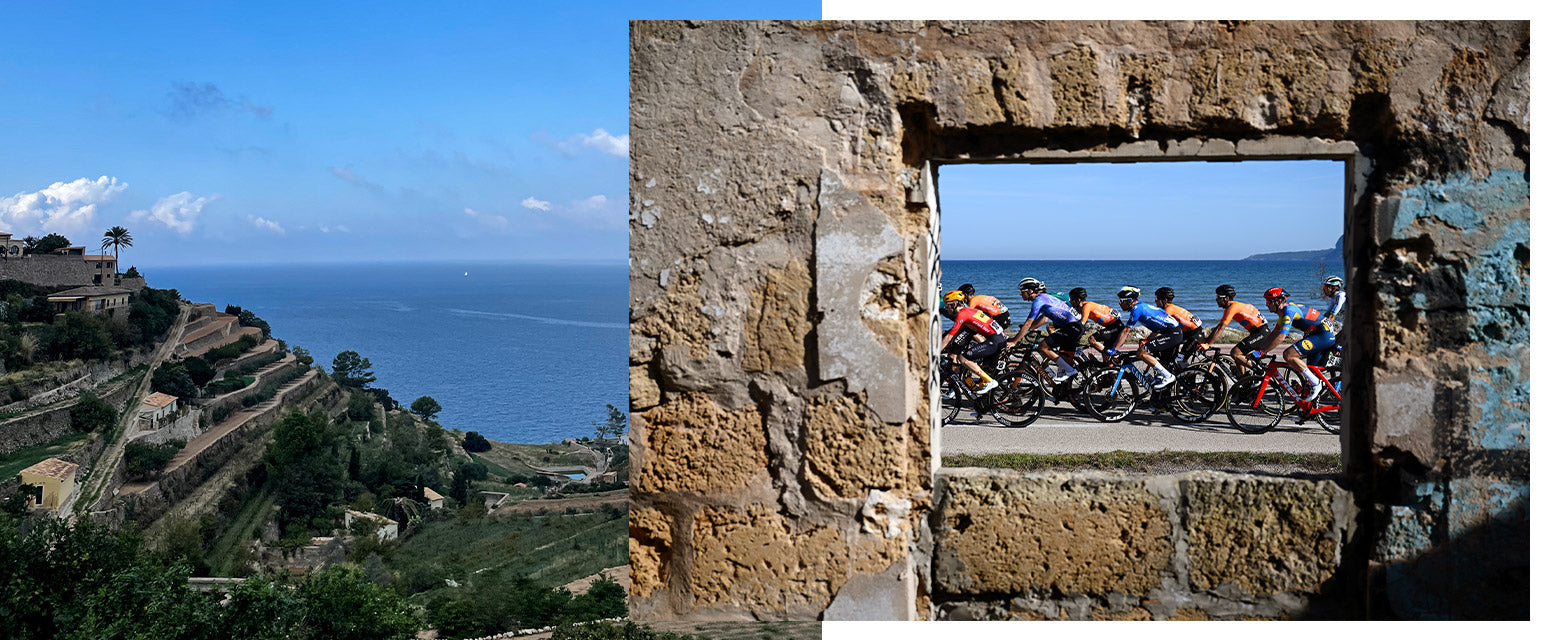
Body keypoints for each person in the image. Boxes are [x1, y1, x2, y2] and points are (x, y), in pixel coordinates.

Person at [1252, 287, 1338, 401]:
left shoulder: (1289, 311)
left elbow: (1281, 337)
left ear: (1278, 302)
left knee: (1289, 354)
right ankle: (1309, 411)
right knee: (1310, 373)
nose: (1266, 305)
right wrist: (1259, 349)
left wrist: (1262, 352)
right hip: (1317, 335)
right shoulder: (1283, 312)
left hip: (1323, 335)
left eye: (1268, 301)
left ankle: (1317, 384)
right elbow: (1274, 333)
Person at [1005, 278, 1083, 382]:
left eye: (1022, 291)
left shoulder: (1039, 300)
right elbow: (1037, 321)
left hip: (1072, 327)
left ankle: (1070, 370)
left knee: (1043, 347)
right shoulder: (1044, 298)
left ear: (1030, 291)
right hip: (1074, 326)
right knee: (1063, 358)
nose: (1020, 294)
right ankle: (1066, 390)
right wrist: (1026, 331)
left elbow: (1028, 322)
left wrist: (1014, 341)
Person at [1108, 286, 1183, 389]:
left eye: (1121, 300)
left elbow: (1126, 331)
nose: (1119, 303)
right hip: (1171, 333)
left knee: (1141, 352)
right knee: (1163, 366)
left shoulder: (1137, 309)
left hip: (1172, 334)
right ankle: (1160, 401)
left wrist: (1114, 349)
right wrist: (1147, 339)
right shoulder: (1141, 307)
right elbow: (1157, 327)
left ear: (1130, 300)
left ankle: (1168, 376)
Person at [1198, 284, 1275, 374]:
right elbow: (1219, 326)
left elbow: (1220, 328)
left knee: (1235, 353)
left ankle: (1260, 372)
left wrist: (1207, 344)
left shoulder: (1233, 307)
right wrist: (1207, 341)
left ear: (1226, 298)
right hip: (1259, 332)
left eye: (1218, 297)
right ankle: (1244, 380)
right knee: (1239, 355)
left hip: (1261, 333)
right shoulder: (1234, 306)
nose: (1216, 299)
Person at [940, 290, 1006, 394]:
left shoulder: (962, 314)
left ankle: (990, 382)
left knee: (963, 358)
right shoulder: (969, 310)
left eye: (948, 305)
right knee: (984, 376)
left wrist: (936, 351)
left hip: (995, 340)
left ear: (954, 304)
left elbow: (949, 337)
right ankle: (983, 408)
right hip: (999, 339)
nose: (946, 308)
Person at [1070, 287, 1124, 355]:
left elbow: (1082, 322)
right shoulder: (1084, 307)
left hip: (1115, 326)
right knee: (1105, 352)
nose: (1070, 301)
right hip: (1114, 326)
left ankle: (1111, 355)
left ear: (1078, 300)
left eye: (1072, 299)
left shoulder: (1087, 306)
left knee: (1092, 339)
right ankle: (1109, 361)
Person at [1154, 287, 1204, 357]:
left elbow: (1159, 327)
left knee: (1181, 360)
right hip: (1189, 332)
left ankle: (1185, 366)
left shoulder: (1168, 310)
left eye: (1157, 299)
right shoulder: (1172, 307)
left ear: (1164, 300)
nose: (1155, 301)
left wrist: (1148, 339)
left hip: (1194, 334)